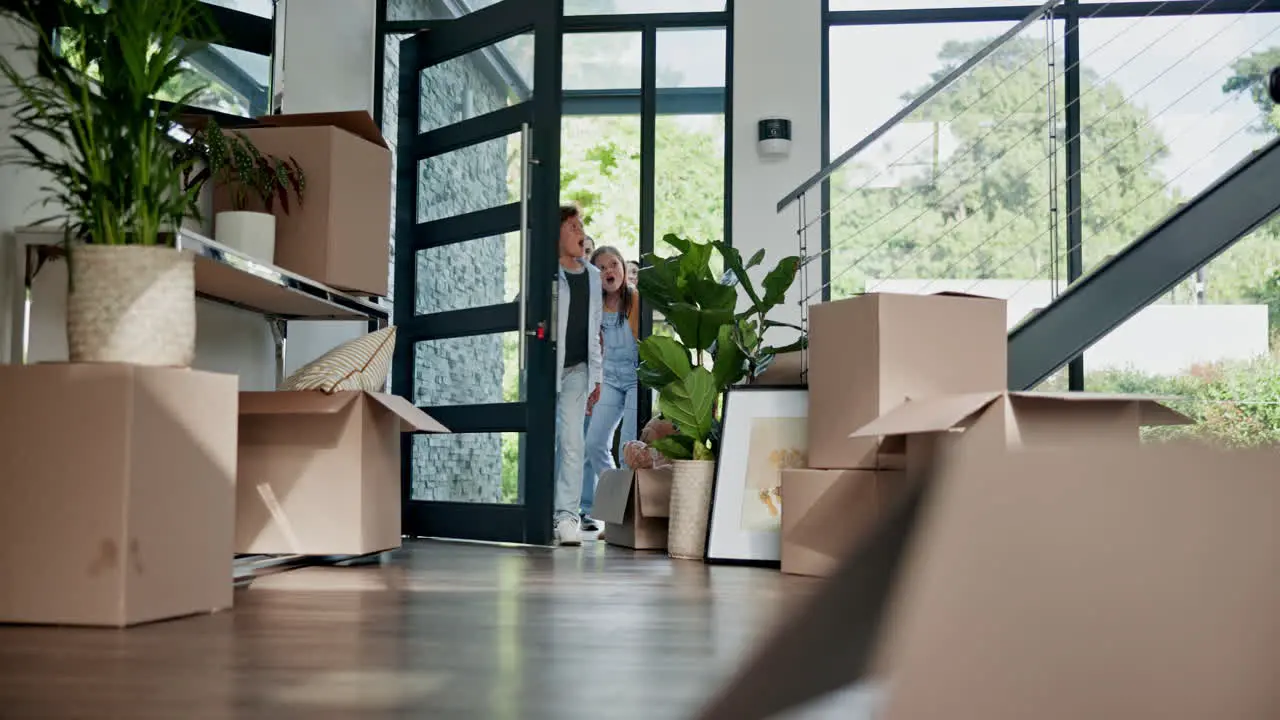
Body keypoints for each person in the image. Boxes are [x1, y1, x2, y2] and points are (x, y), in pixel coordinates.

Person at [579, 245, 640, 532]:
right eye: (601, 268)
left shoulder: (635, 300)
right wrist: (594, 386)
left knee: (627, 445)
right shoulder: (594, 307)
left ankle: (624, 520)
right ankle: (616, 506)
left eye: (613, 264)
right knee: (594, 442)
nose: (608, 271)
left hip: (637, 376)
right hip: (610, 378)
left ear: (624, 270)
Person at [553, 204, 603, 546]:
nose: (580, 232)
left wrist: (596, 378)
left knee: (573, 444)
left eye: (581, 225)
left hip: (577, 370)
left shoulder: (593, 277)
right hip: (545, 367)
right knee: (541, 443)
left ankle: (566, 517)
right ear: (555, 233)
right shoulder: (545, 271)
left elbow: (595, 327)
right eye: (572, 226)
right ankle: (536, 510)